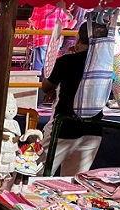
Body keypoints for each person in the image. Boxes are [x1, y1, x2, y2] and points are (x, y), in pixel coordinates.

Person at [40, 21, 108, 176]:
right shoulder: (104, 63)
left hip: (63, 127)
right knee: (72, 182)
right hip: (93, 129)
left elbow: (46, 86)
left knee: (36, 175)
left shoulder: (67, 61)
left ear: (78, 39)